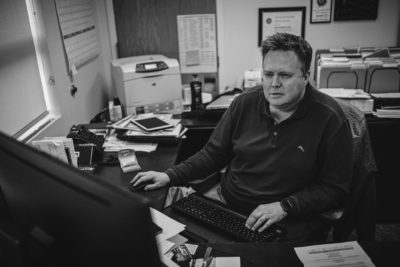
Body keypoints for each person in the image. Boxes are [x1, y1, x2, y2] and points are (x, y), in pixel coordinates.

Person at [130, 32, 353, 241]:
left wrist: (284, 207)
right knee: (181, 247)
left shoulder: (330, 118)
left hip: (288, 218)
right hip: (227, 204)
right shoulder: (244, 103)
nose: (274, 84)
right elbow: (213, 155)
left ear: (306, 76)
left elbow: (335, 188)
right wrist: (170, 175)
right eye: (268, 74)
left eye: (284, 75)